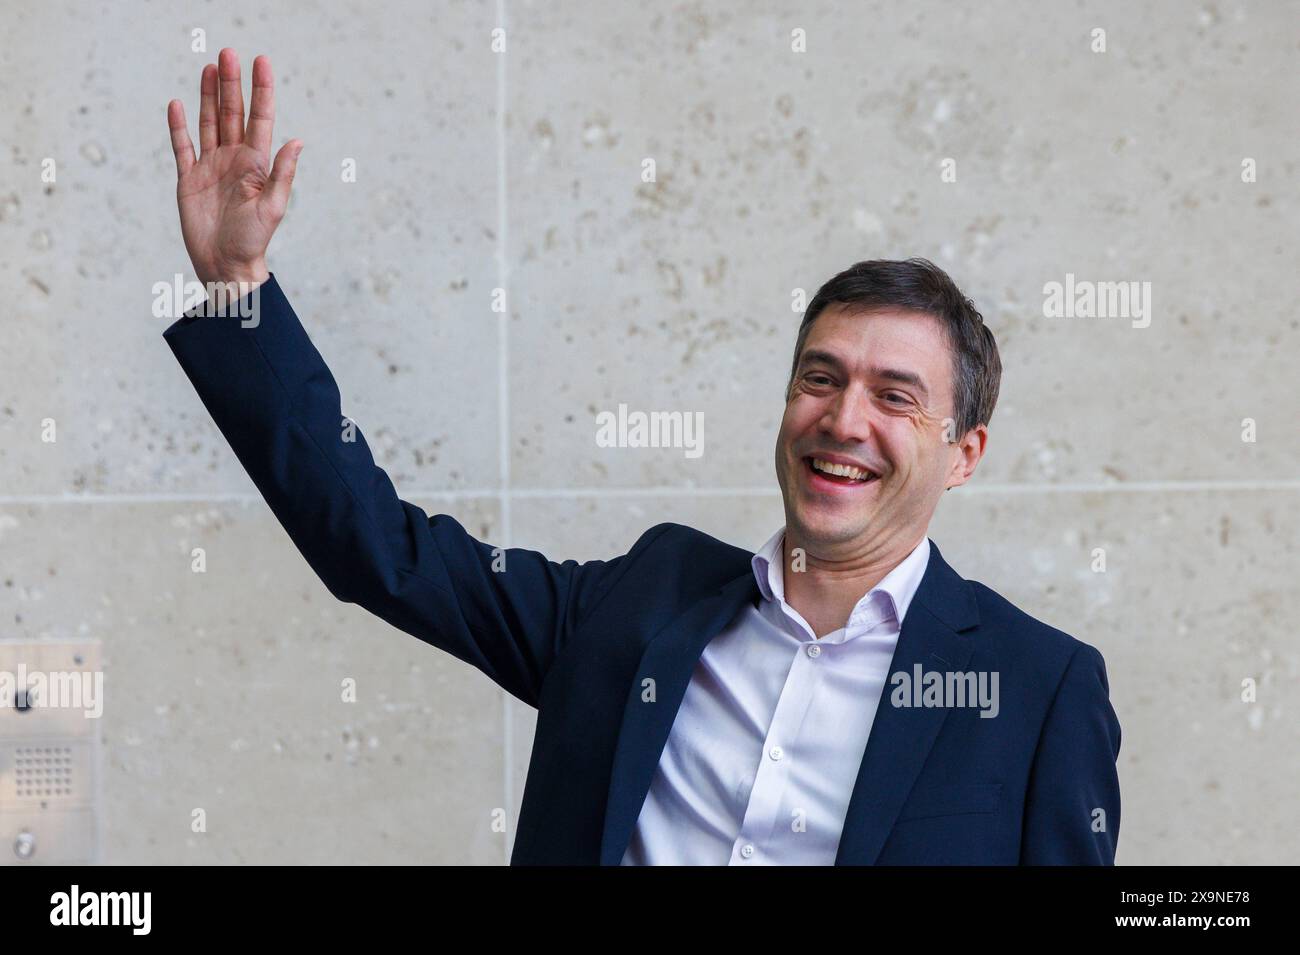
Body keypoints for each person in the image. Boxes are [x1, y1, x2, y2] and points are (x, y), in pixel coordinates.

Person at [162, 48, 1121, 865]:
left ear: (964, 453)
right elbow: (381, 549)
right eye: (820, 378)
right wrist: (240, 286)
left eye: (895, 396)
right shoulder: (640, 604)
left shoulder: (1037, 688)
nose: (843, 419)